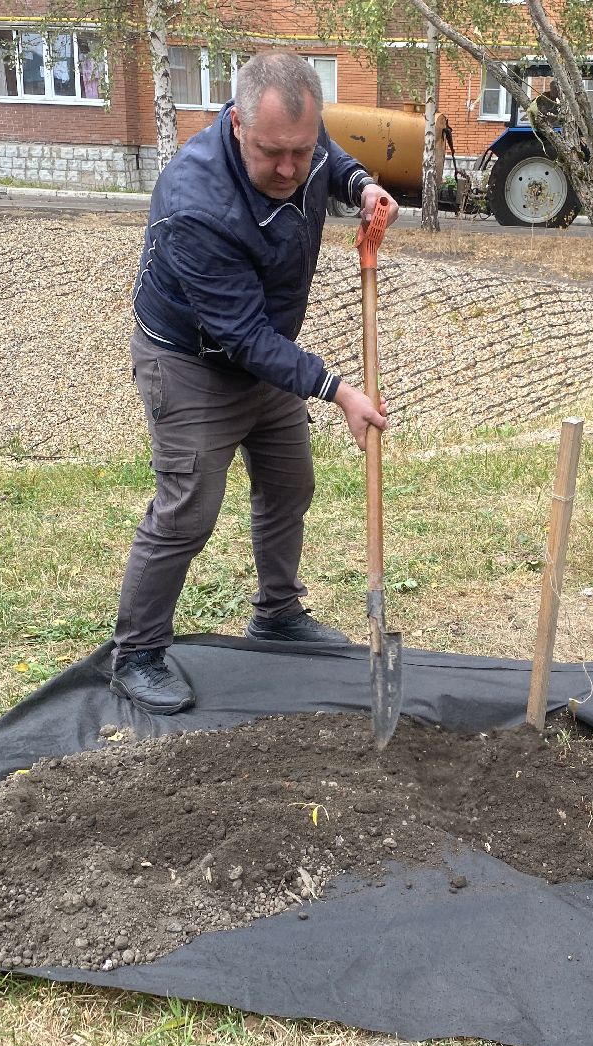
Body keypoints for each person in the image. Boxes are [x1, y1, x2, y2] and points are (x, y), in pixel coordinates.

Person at [112, 51, 400, 715]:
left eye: (301, 150)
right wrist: (339, 390)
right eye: (273, 153)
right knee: (188, 509)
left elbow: (326, 155)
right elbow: (241, 338)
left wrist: (360, 185)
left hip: (266, 351)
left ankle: (277, 613)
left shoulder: (298, 142)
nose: (290, 169)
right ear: (238, 124)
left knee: (289, 483)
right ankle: (137, 653)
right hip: (192, 363)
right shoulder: (195, 203)